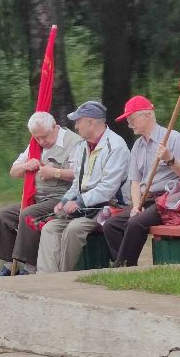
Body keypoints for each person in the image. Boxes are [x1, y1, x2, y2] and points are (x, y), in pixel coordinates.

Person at [100, 95, 180, 267]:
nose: (129, 124)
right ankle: (126, 266)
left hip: (169, 201)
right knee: (110, 225)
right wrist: (136, 206)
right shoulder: (138, 145)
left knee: (135, 223)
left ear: (148, 115)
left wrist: (169, 158)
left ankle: (122, 266)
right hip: (147, 199)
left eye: (132, 118)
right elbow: (135, 182)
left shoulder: (173, 138)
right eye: (127, 120)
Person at [35, 101, 129, 273]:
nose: (76, 126)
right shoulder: (82, 147)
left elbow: (108, 189)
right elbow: (77, 184)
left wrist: (79, 201)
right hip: (86, 208)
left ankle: (64, 278)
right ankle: (45, 276)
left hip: (110, 208)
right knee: (50, 228)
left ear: (91, 122)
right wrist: (64, 201)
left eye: (78, 121)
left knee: (73, 229)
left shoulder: (116, 146)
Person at [0, 112, 80, 275]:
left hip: (62, 198)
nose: (41, 142)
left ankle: (30, 267)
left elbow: (80, 173)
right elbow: (13, 171)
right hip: (37, 198)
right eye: (37, 138)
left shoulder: (73, 142)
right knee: (5, 215)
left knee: (28, 215)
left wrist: (55, 172)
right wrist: (26, 166)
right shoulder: (35, 144)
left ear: (55, 127)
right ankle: (10, 264)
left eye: (44, 137)